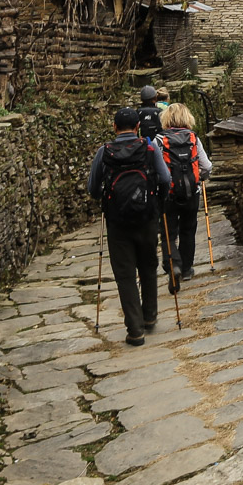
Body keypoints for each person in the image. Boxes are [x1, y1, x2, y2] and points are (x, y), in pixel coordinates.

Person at [87, 106, 171, 345]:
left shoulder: (104, 152)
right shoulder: (150, 148)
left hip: (117, 223)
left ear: (114, 127)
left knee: (125, 275)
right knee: (148, 266)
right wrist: (159, 201)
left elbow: (93, 189)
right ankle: (150, 316)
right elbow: (165, 179)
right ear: (137, 128)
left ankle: (135, 330)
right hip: (146, 218)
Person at [158, 103, 211, 279]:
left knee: (168, 232)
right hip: (191, 192)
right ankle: (187, 269)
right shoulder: (193, 138)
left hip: (168, 194)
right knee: (188, 230)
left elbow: (154, 168)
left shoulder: (159, 140)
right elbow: (207, 166)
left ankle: (174, 265)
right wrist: (202, 177)